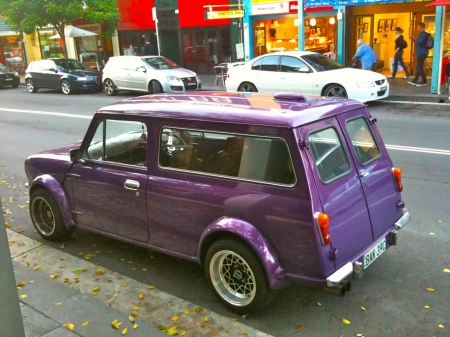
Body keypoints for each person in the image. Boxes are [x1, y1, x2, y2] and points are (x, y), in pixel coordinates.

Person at [408, 22, 428, 86]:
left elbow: (420, 42)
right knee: (419, 67)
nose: (417, 28)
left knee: (420, 67)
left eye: (418, 27)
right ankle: (415, 80)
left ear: (421, 27)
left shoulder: (422, 34)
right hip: (422, 52)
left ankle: (424, 81)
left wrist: (414, 39)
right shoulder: (424, 34)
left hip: (421, 53)